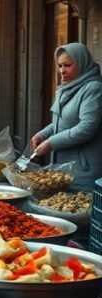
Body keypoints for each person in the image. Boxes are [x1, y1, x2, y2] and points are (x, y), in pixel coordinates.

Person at [30, 43, 102, 192]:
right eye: (60, 65)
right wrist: (43, 134)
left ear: (82, 63)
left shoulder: (93, 89)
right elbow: (61, 122)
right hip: (63, 169)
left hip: (83, 170)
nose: (62, 71)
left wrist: (51, 143)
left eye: (67, 65)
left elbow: (86, 128)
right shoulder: (66, 87)